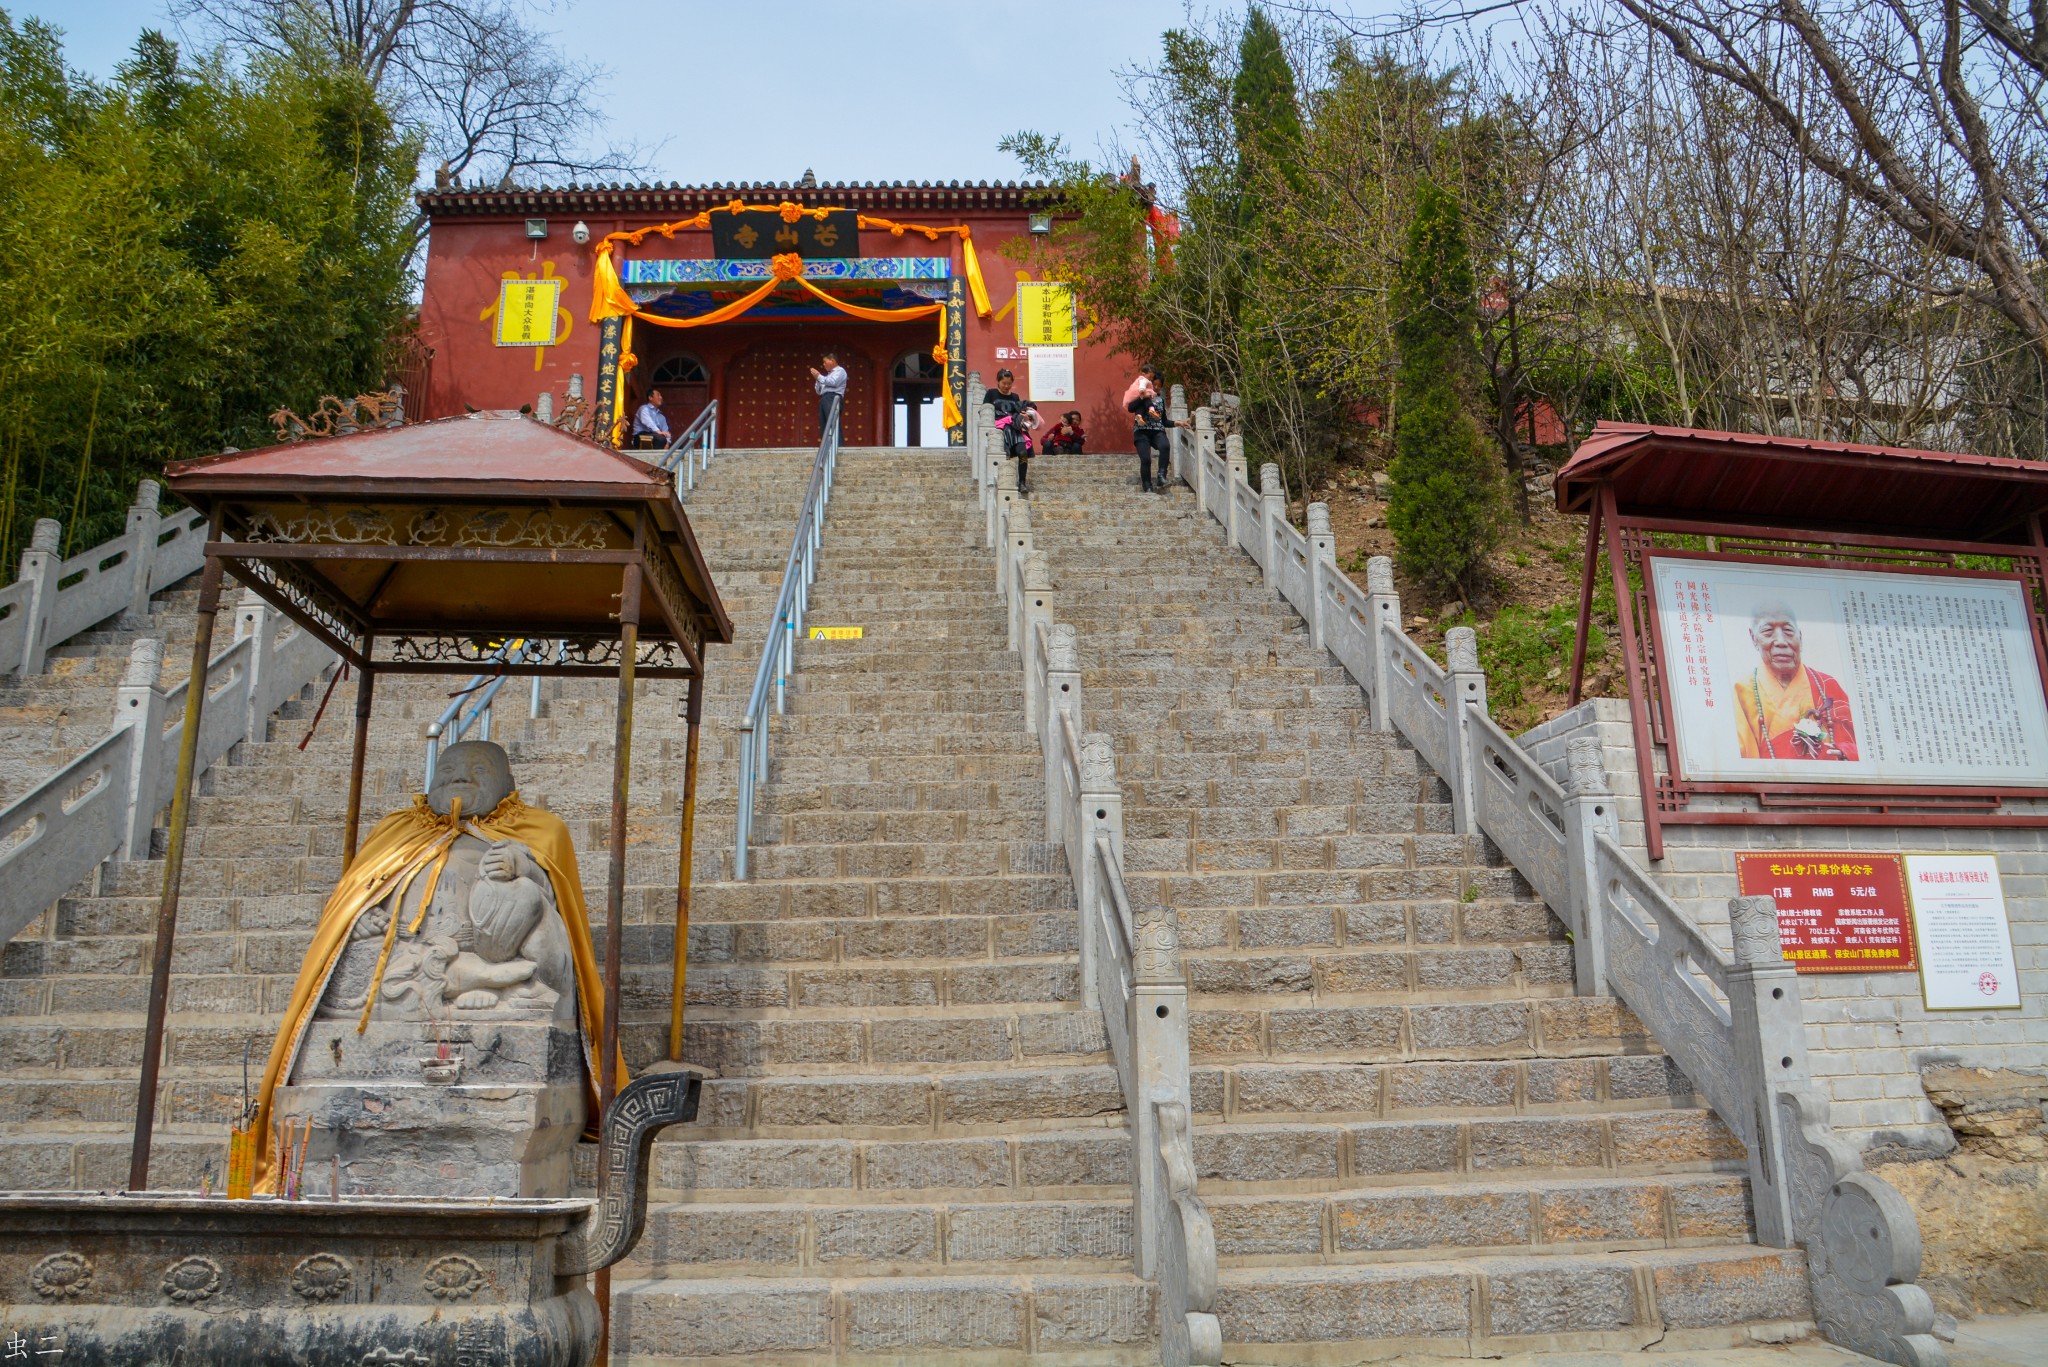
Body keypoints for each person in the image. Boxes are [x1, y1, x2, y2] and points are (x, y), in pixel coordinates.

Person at [1732, 601, 1858, 760]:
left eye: (1788, 631)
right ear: (1753, 638)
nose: (1781, 641)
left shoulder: (1826, 685)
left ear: (1800, 636)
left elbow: (1863, 747)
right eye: (1768, 631)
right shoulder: (1743, 691)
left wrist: (1844, 751)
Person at [982, 368, 1033, 495]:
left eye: (1009, 384)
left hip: (1014, 428)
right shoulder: (991, 393)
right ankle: (1002, 481)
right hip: (999, 429)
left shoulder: (1015, 397)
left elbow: (1018, 412)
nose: (1006, 386)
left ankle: (1022, 482)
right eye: (1004, 383)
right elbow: (984, 411)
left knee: (1023, 453)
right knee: (1005, 453)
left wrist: (1024, 415)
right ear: (998, 382)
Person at [1128, 377, 1176, 494]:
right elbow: (1130, 408)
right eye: (1154, 384)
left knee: (1165, 446)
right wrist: (1142, 397)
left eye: (1159, 385)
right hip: (1141, 432)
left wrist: (1177, 423)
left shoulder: (1160, 400)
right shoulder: (1142, 396)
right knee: (1146, 459)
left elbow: (1164, 421)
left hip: (1157, 431)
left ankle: (1161, 477)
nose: (1156, 387)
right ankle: (1147, 485)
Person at [809, 352, 848, 437]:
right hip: (824, 398)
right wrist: (818, 379)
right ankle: (827, 447)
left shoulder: (840, 371)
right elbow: (818, 391)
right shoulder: (827, 375)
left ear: (832, 361)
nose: (824, 364)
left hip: (832, 397)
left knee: (832, 422)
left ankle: (838, 445)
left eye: (825, 362)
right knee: (824, 425)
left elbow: (833, 382)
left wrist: (819, 376)